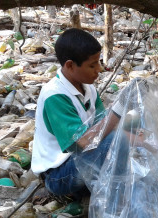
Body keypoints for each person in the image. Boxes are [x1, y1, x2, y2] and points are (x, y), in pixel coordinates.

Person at [31, 28, 127, 198]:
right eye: (92, 65)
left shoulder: (88, 88)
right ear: (70, 65)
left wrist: (143, 141)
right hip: (59, 176)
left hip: (80, 161)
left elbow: (103, 124)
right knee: (114, 141)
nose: (99, 69)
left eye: (98, 62)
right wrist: (118, 111)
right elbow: (85, 141)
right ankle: (114, 197)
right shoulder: (54, 96)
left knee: (129, 133)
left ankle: (114, 188)